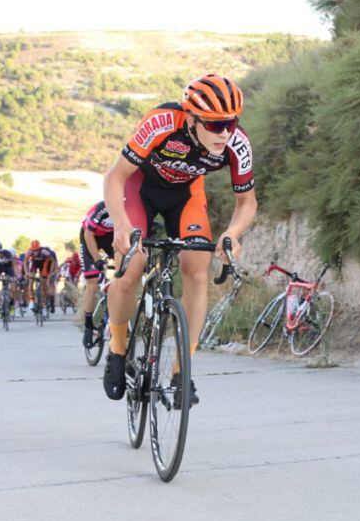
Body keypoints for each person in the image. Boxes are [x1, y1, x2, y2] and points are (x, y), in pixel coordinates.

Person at [101, 75, 258, 405]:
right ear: (190, 118)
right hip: (140, 189)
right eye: (215, 125)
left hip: (186, 195)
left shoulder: (237, 143)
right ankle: (117, 349)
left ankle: (180, 372)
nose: (225, 132)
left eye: (231, 123)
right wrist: (120, 225)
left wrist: (232, 233)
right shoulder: (162, 122)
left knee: (197, 270)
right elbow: (116, 178)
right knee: (131, 269)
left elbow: (247, 202)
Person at [79, 201, 115, 348]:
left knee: (127, 267)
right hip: (89, 236)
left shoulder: (131, 205)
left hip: (109, 237)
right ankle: (88, 325)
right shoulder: (103, 207)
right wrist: (98, 260)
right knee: (93, 281)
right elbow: (88, 234)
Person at [25, 240, 58, 312]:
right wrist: (27, 272)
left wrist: (50, 275)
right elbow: (26, 262)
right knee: (31, 280)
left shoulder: (44, 252)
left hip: (45, 264)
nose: (35, 252)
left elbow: (53, 262)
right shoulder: (29, 252)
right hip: (35, 264)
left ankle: (44, 300)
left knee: (44, 282)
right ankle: (31, 300)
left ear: (39, 248)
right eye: (33, 250)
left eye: (37, 250)